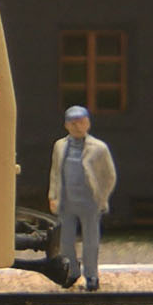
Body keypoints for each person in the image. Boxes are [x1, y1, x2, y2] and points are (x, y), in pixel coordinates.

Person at [48, 105, 117, 291]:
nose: (78, 127)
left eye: (82, 122)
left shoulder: (99, 148)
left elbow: (109, 176)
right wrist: (53, 196)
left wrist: (101, 197)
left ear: (88, 123)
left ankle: (92, 276)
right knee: (66, 241)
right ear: (66, 125)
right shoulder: (60, 146)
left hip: (89, 202)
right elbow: (55, 173)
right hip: (66, 202)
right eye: (73, 123)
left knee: (90, 242)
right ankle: (71, 273)